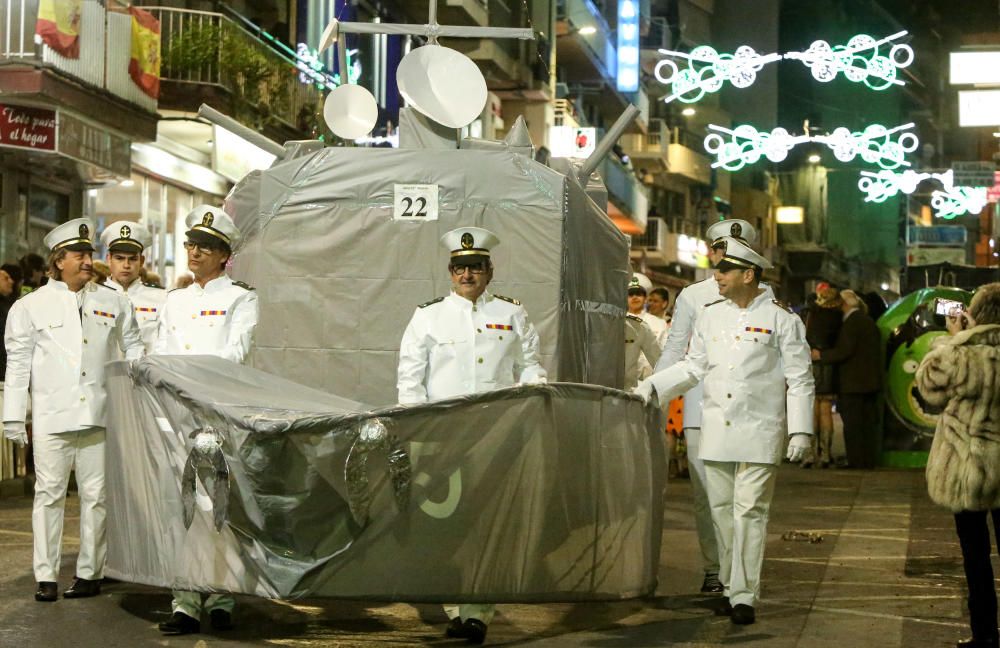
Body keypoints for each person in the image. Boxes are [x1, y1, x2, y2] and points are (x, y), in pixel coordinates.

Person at [636, 236, 814, 625]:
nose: (716, 276)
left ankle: (745, 595)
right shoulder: (710, 316)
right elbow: (693, 367)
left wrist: (801, 431)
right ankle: (733, 586)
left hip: (760, 430)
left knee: (750, 512)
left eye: (724, 269)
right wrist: (654, 386)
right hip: (717, 428)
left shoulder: (783, 320)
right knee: (721, 512)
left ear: (748, 274)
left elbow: (801, 379)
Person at [397, 226, 547, 645]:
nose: (467, 275)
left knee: (489, 521)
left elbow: (530, 365)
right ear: (449, 271)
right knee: (446, 525)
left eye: (475, 267)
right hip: (442, 436)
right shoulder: (427, 316)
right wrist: (416, 428)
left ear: (489, 270)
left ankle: (478, 611)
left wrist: (534, 385)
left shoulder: (512, 314)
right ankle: (453, 605)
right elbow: (410, 379)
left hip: (496, 433)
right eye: (460, 268)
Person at [3, 219, 143, 602]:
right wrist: (14, 415)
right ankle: (45, 576)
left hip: (98, 413)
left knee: (96, 496)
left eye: (89, 254)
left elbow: (134, 349)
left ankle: (90, 573)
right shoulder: (29, 306)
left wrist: (134, 402)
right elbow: (17, 363)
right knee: (48, 495)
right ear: (59, 260)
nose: (88, 261)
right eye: (80, 255)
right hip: (51, 416)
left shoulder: (113, 300)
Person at [651, 218, 773, 595]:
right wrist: (653, 394)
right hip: (702, 407)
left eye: (733, 252)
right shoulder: (692, 295)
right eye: (720, 250)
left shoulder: (766, 296)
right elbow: (675, 350)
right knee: (707, 499)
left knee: (745, 501)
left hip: (750, 411)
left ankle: (739, 576)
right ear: (712, 252)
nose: (724, 259)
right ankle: (714, 568)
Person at [154, 205, 259, 635]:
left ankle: (221, 597)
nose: (194, 252)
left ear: (223, 255)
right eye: (191, 245)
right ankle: (184, 601)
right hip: (177, 415)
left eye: (205, 247)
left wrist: (191, 378)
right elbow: (159, 352)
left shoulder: (242, 298)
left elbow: (237, 354)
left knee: (220, 507)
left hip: (219, 414)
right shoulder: (174, 300)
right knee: (178, 508)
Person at [916, 283, 1000, 648]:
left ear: (975, 314)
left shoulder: (965, 354)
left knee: (975, 557)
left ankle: (984, 636)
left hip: (966, 471)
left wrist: (955, 339)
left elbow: (927, 386)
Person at [811, 289, 882, 469]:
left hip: (854, 383)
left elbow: (845, 350)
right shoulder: (866, 320)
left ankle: (856, 461)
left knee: (853, 426)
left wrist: (821, 356)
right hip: (867, 382)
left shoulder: (853, 322)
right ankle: (866, 460)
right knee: (864, 425)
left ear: (845, 304)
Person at [100, 222, 167, 353]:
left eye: (132, 259)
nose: (126, 265)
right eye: (119, 258)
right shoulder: (94, 297)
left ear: (141, 261)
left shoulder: (161, 298)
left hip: (146, 371)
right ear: (109, 259)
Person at [803, 284, 842, 468]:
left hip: (811, 363)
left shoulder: (811, 314)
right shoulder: (837, 316)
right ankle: (826, 453)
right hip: (829, 366)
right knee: (826, 410)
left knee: (811, 409)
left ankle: (811, 453)